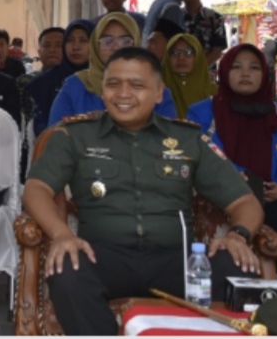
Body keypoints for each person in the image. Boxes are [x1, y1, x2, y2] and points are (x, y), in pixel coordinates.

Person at [23, 47, 263, 336]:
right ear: (102, 90)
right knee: (66, 269)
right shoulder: (74, 135)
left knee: (240, 267)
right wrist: (61, 233)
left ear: (159, 93)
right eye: (113, 84)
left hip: (178, 263)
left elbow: (245, 201)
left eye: (137, 85)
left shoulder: (188, 140)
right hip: (103, 258)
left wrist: (238, 235)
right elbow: (36, 188)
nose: (123, 94)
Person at [187, 44, 277, 238]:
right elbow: (198, 155)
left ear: (265, 74)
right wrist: (237, 177)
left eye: (254, 67)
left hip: (272, 200)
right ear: (224, 71)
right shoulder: (202, 111)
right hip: (219, 200)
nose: (245, 73)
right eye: (236, 67)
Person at [49, 13, 177, 127]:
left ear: (136, 44)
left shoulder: (155, 88)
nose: (116, 47)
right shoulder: (75, 86)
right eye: (107, 41)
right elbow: (56, 137)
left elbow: (167, 137)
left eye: (125, 41)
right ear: (96, 46)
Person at [27, 20, 93, 138]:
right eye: (70, 40)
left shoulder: (106, 80)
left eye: (83, 40)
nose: (76, 47)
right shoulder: (42, 83)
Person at [16, 27, 65, 181]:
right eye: (47, 45)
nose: (52, 50)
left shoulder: (76, 83)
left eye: (58, 45)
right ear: (39, 50)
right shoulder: (25, 82)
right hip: (30, 149)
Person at [161, 34, 217, 120]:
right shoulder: (156, 91)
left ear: (198, 57)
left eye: (188, 52)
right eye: (174, 52)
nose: (181, 57)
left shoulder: (215, 94)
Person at [183, 0, 227, 66]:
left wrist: (198, 69)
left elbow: (217, 51)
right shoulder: (174, 17)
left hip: (206, 72)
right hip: (178, 72)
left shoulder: (215, 18)